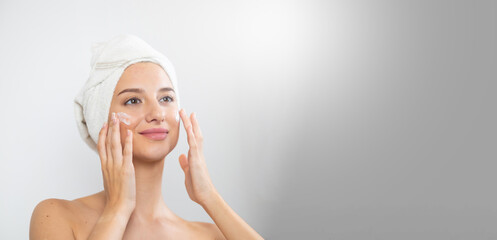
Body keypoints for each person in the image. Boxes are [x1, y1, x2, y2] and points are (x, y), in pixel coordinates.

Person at [29, 35, 264, 239]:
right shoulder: (56, 216)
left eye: (166, 99)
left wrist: (210, 197)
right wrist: (117, 211)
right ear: (101, 120)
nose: (157, 114)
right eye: (133, 100)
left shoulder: (210, 234)